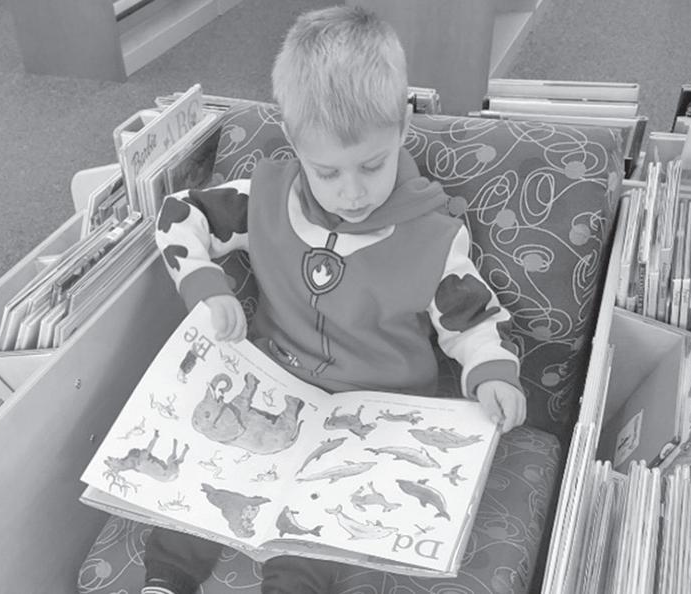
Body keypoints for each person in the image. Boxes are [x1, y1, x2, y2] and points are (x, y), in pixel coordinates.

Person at [143, 5, 527, 594]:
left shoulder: (434, 237)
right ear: (294, 141)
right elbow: (178, 215)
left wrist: (493, 372)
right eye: (326, 173)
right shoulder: (266, 198)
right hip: (274, 388)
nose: (352, 193)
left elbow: (472, 320)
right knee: (197, 479)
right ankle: (165, 580)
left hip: (377, 415)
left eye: (372, 165)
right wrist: (204, 284)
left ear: (402, 125)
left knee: (308, 541)